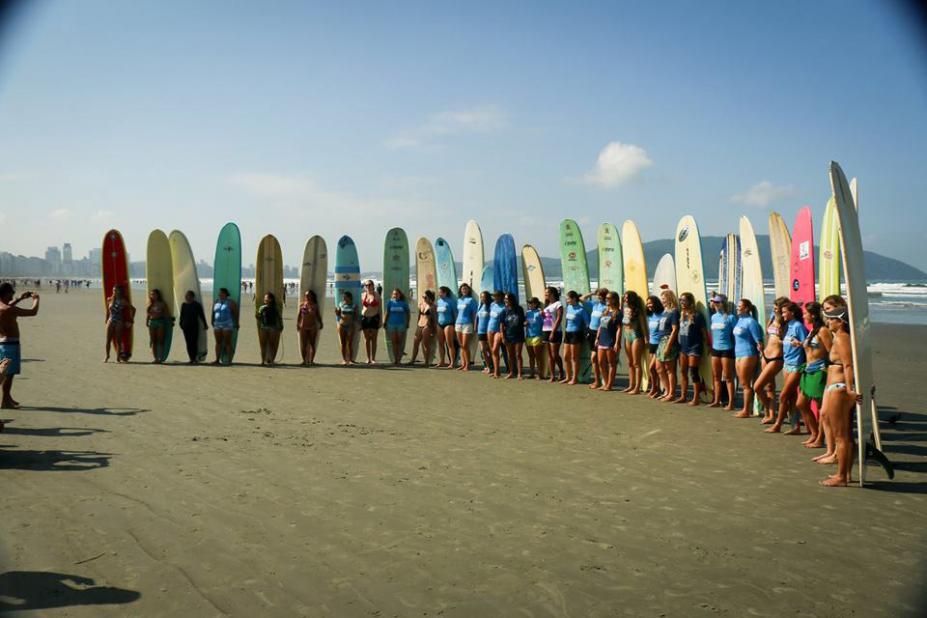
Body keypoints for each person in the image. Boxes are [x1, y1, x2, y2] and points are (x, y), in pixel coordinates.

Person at [817, 301, 857, 486]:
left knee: (841, 435)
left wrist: (849, 390)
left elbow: (848, 365)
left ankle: (841, 476)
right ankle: (846, 474)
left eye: (831, 319)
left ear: (840, 322)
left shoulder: (841, 338)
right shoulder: (841, 337)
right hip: (838, 387)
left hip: (839, 388)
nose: (828, 322)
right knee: (845, 435)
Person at [765, 301, 809, 433]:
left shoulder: (798, 326)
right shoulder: (787, 325)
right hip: (787, 364)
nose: (782, 314)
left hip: (797, 365)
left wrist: (800, 344)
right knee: (791, 397)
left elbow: (807, 344)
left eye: (784, 312)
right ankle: (795, 426)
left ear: (792, 313)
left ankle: (778, 424)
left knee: (783, 396)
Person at [0, 283, 40, 413]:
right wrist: (36, 300)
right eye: (11, 292)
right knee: (9, 374)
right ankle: (5, 400)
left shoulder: (3, 307)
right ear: (5, 294)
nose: (12, 294)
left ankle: (7, 397)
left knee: (8, 373)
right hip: (10, 344)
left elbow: (8, 306)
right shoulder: (7, 309)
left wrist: (19, 298)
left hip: (4, 342)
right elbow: (33, 312)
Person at [797, 302, 830, 447]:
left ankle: (820, 438)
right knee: (801, 404)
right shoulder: (812, 331)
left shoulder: (823, 331)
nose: (803, 316)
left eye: (805, 314)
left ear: (813, 315)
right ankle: (814, 433)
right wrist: (800, 344)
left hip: (818, 371)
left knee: (821, 407)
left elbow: (831, 351)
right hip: (808, 371)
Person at [755, 297, 788, 423]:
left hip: (776, 357)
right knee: (769, 387)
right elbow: (768, 334)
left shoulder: (785, 322)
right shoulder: (773, 318)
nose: (774, 310)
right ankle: (771, 414)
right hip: (766, 354)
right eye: (773, 308)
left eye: (776, 308)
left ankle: (771, 409)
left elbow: (786, 340)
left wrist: (780, 335)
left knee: (757, 387)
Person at [732, 298, 764, 419]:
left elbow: (758, 341)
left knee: (746, 384)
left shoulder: (751, 322)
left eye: (739, 306)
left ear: (746, 308)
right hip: (738, 354)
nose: (737, 308)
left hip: (748, 354)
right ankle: (745, 408)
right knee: (743, 383)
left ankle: (746, 410)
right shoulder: (739, 320)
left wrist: (762, 355)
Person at [675, 292, 709, 406]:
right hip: (683, 347)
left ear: (690, 301)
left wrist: (708, 345)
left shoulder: (697, 316)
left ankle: (696, 398)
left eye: (684, 300)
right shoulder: (681, 314)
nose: (682, 303)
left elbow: (704, 332)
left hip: (694, 347)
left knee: (693, 372)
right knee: (683, 371)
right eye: (681, 300)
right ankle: (683, 396)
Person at [709, 294, 737, 409]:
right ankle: (717, 400)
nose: (715, 304)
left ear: (723, 303)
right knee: (716, 376)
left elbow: (735, 335)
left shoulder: (731, 317)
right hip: (715, 349)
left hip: (727, 349)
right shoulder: (714, 317)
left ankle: (731, 403)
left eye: (717, 302)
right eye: (714, 302)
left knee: (728, 377)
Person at [655, 289, 680, 402]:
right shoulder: (665, 311)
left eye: (664, 299)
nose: (662, 301)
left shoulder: (674, 312)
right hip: (661, 341)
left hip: (668, 340)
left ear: (669, 298)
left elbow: (675, 330)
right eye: (662, 299)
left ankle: (671, 393)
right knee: (659, 368)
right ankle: (667, 390)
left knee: (669, 369)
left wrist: (668, 346)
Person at [595, 291, 621, 391]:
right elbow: (600, 326)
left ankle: (609, 384)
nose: (606, 300)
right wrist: (597, 338)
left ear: (614, 300)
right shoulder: (605, 311)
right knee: (601, 362)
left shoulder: (617, 313)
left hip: (610, 340)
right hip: (602, 339)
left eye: (608, 298)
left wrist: (617, 342)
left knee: (611, 363)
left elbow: (619, 329)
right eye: (606, 298)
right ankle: (605, 382)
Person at [622, 291, 647, 395]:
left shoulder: (637, 311)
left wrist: (646, 338)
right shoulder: (624, 308)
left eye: (627, 298)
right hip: (626, 335)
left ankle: (637, 387)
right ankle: (631, 385)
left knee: (636, 363)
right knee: (630, 362)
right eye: (625, 297)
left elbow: (642, 325)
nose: (625, 299)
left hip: (636, 335)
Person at [583, 288, 608, 388]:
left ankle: (605, 381)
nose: (599, 296)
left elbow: (604, 323)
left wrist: (599, 335)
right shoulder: (594, 305)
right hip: (591, 332)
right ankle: (597, 381)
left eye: (601, 295)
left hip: (600, 334)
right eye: (599, 295)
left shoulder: (606, 307)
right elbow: (582, 298)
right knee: (594, 359)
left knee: (599, 359)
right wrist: (592, 293)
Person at [562, 290, 588, 385]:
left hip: (576, 334)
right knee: (566, 357)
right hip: (568, 334)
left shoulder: (581, 310)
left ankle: (574, 378)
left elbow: (587, 323)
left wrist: (587, 334)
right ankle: (568, 377)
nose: (567, 300)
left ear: (573, 299)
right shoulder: (569, 307)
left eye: (568, 298)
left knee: (574, 357)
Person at [104, 285, 135, 363]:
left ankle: (118, 358)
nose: (115, 292)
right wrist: (106, 320)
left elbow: (133, 309)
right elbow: (108, 311)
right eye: (114, 290)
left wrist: (131, 320)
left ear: (120, 292)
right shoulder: (109, 299)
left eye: (117, 291)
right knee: (108, 340)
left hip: (119, 321)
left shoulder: (123, 301)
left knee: (118, 341)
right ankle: (107, 356)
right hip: (111, 320)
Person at [500, 293, 526, 379]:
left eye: (507, 299)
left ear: (512, 300)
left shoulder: (519, 309)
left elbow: (523, 321)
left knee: (518, 354)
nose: (505, 300)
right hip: (508, 335)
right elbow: (501, 325)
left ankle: (519, 374)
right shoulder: (504, 311)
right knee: (510, 355)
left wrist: (526, 323)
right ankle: (511, 372)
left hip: (519, 335)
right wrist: (503, 337)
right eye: (505, 299)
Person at [542, 287, 565, 383]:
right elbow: (547, 317)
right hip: (545, 329)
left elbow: (559, 318)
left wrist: (553, 331)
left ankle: (560, 371)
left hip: (555, 331)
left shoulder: (558, 304)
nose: (545, 294)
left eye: (547, 293)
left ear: (552, 294)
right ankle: (552, 375)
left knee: (555, 354)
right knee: (550, 355)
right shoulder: (547, 305)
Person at [408, 290, 436, 367]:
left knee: (426, 345)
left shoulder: (433, 306)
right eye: (423, 297)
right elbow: (419, 315)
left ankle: (426, 361)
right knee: (415, 343)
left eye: (425, 297)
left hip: (428, 325)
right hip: (420, 324)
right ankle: (412, 360)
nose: (423, 298)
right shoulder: (421, 304)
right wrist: (417, 324)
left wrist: (434, 330)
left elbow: (434, 319)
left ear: (429, 298)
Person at [178, 291, 207, 364]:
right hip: (186, 326)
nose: (187, 297)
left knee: (194, 342)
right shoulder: (184, 305)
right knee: (188, 343)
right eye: (186, 296)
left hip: (194, 326)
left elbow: (201, 315)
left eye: (189, 296)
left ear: (192, 297)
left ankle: (194, 358)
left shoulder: (196, 305)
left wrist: (205, 324)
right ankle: (191, 358)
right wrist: (181, 323)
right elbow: (182, 315)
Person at [383, 288, 411, 365]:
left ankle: (399, 359)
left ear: (400, 295)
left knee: (400, 342)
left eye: (397, 294)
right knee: (394, 342)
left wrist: (408, 322)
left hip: (401, 324)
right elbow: (387, 313)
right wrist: (384, 322)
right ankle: (395, 359)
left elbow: (408, 314)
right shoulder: (390, 303)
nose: (395, 295)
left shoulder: (404, 303)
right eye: (394, 294)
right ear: (392, 295)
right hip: (391, 324)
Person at [210, 287, 238, 365]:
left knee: (227, 342)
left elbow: (235, 313)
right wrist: (212, 320)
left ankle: (229, 360)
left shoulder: (231, 302)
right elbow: (213, 313)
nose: (220, 294)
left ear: (226, 294)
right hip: (217, 324)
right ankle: (217, 360)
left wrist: (237, 323)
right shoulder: (216, 302)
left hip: (227, 324)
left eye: (222, 293)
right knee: (218, 342)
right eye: (219, 293)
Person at [455, 283, 479, 371]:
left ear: (468, 290)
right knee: (461, 345)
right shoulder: (459, 300)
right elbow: (457, 313)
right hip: (458, 324)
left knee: (465, 345)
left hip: (467, 324)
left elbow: (474, 314)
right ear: (460, 290)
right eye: (462, 289)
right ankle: (463, 364)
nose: (464, 290)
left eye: (465, 289)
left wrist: (475, 325)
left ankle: (467, 365)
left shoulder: (471, 300)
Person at [645, 295, 665, 399]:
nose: (649, 305)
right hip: (652, 344)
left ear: (656, 303)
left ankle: (656, 388)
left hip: (659, 344)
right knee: (654, 369)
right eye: (647, 303)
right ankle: (655, 388)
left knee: (652, 368)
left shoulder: (662, 315)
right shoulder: (650, 315)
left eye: (651, 303)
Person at [146, 289, 172, 363]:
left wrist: (170, 322)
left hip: (160, 322)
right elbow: (148, 314)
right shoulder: (150, 303)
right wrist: (147, 321)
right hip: (152, 322)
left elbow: (167, 314)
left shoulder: (162, 304)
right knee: (153, 341)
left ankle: (160, 357)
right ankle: (155, 358)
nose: (152, 296)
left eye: (154, 294)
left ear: (158, 295)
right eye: (151, 294)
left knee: (160, 341)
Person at [257, 291, 283, 366]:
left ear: (271, 299)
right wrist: (257, 316)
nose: (265, 300)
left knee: (272, 344)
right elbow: (259, 317)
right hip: (263, 327)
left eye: (267, 298)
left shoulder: (275, 308)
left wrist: (281, 326)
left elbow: (279, 318)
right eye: (265, 298)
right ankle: (262, 361)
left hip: (273, 328)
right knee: (263, 345)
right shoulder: (262, 308)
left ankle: (271, 361)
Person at [296, 290, 322, 365]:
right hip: (303, 326)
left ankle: (311, 360)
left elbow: (318, 315)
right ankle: (304, 360)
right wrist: (297, 324)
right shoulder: (302, 305)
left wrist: (320, 323)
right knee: (304, 344)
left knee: (312, 343)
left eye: (309, 295)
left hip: (312, 327)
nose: (307, 297)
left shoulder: (315, 305)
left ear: (312, 296)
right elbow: (299, 315)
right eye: (306, 295)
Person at [435, 286, 458, 368]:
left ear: (445, 293)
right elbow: (437, 314)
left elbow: (455, 314)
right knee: (440, 344)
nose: (439, 294)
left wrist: (456, 326)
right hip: (439, 324)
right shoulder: (438, 302)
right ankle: (442, 361)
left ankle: (452, 362)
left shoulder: (451, 302)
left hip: (449, 324)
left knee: (450, 344)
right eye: (439, 292)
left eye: (441, 292)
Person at [360, 280, 382, 364]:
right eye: (366, 285)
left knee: (374, 339)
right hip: (364, 318)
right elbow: (360, 308)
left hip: (374, 318)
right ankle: (367, 358)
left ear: (373, 285)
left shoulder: (377, 295)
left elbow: (380, 309)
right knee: (366, 340)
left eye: (370, 285)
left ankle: (373, 358)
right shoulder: (362, 295)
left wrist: (380, 320)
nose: (368, 286)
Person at [335, 290, 358, 365]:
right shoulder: (341, 304)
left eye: (345, 297)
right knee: (343, 343)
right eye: (343, 297)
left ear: (349, 297)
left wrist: (356, 324)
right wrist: (337, 312)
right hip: (342, 325)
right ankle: (344, 359)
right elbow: (338, 314)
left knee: (350, 343)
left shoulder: (354, 305)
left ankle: (351, 360)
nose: (344, 298)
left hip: (350, 326)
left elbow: (356, 316)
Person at [524, 297, 545, 380]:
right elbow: (525, 322)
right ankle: (532, 373)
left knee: (538, 356)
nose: (530, 305)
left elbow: (545, 323)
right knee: (531, 356)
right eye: (529, 303)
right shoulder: (527, 312)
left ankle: (540, 374)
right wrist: (525, 323)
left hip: (537, 336)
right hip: (528, 336)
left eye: (531, 303)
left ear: (536, 304)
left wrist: (544, 336)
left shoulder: (540, 313)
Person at [487, 290, 506, 378]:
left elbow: (504, 322)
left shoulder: (504, 307)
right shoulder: (492, 305)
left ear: (501, 297)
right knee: (492, 351)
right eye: (494, 296)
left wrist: (502, 333)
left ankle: (497, 371)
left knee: (495, 350)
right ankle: (496, 371)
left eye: (497, 296)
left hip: (498, 331)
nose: (495, 297)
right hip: (490, 329)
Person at [476, 291, 493, 374]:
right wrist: (475, 327)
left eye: (484, 297)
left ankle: (491, 366)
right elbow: (477, 317)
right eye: (481, 297)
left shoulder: (491, 306)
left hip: (488, 331)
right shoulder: (480, 306)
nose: (483, 299)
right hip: (480, 331)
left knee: (489, 350)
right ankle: (488, 366)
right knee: (483, 350)